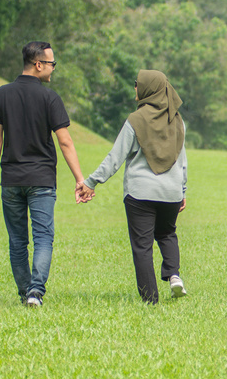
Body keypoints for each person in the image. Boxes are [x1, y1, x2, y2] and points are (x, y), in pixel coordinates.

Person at [0, 41, 88, 307]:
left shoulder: (0, 95)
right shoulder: (49, 98)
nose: (54, 68)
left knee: (17, 240)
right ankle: (35, 293)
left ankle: (25, 294)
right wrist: (80, 179)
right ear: (38, 64)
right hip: (41, 180)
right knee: (43, 237)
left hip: (11, 180)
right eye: (52, 63)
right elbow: (65, 141)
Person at [79, 70, 188, 304]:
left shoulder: (135, 120)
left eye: (137, 84)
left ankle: (150, 299)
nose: (135, 89)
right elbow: (182, 160)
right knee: (167, 234)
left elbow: (115, 158)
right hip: (171, 192)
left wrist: (91, 182)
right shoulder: (177, 120)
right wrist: (183, 191)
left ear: (149, 88)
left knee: (142, 246)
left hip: (140, 194)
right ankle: (174, 275)